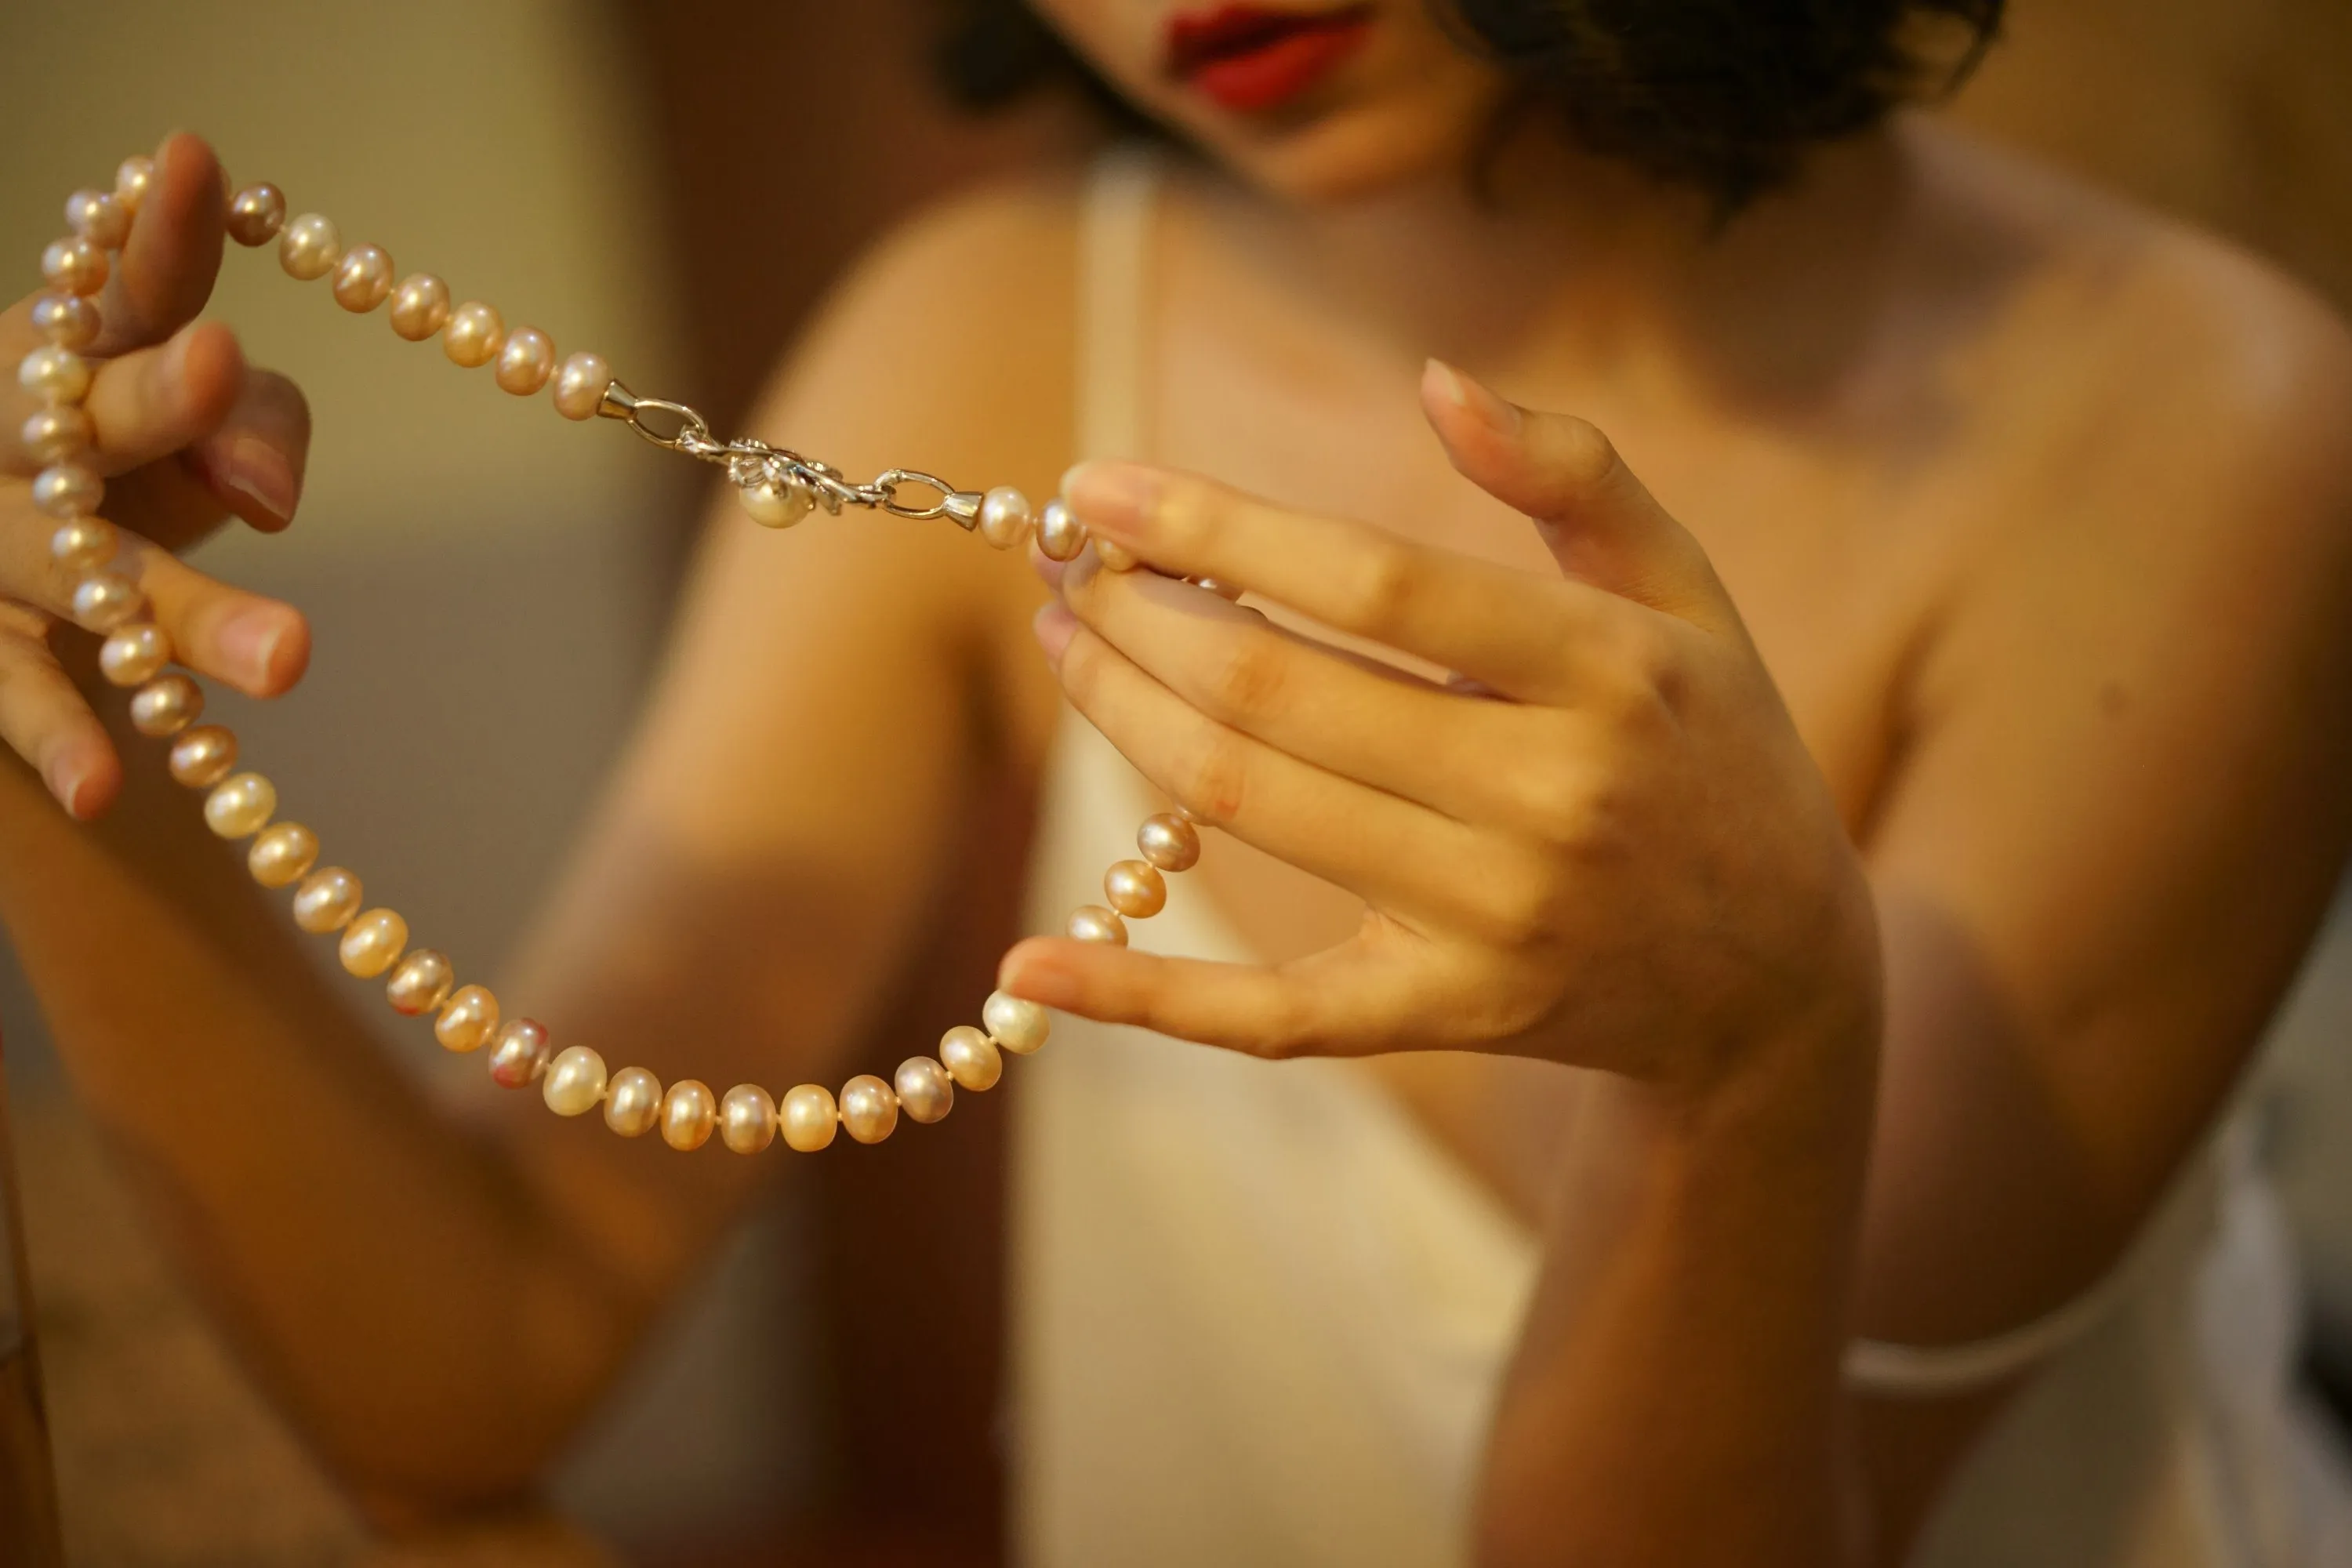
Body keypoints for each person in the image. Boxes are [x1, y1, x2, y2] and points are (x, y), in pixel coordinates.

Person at [4, 0, 2351, 1561]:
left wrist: (1749, 1073)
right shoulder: (986, 342)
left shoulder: (2203, 440)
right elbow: (471, 1345)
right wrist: (52, 685)